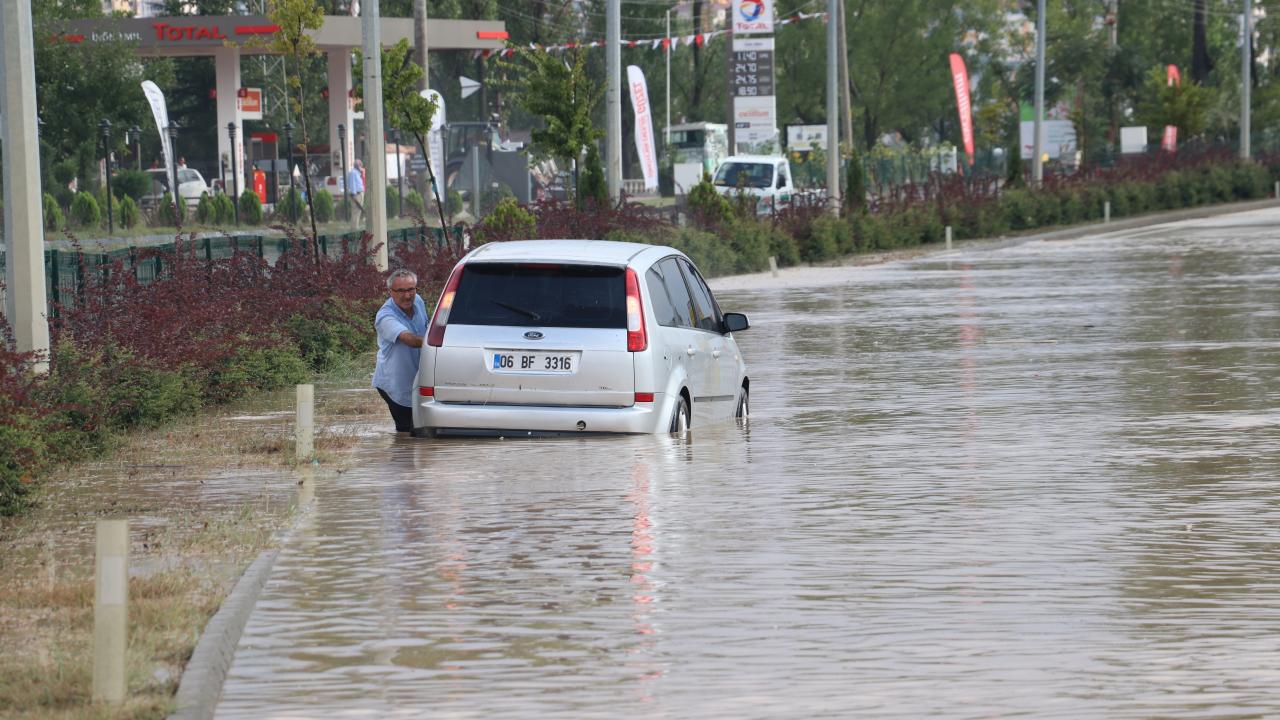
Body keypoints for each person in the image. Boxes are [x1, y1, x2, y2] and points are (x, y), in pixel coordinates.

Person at [372, 268, 427, 433]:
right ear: (390, 292)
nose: (407, 295)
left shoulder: (418, 301)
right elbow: (409, 339)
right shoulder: (385, 317)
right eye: (401, 291)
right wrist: (441, 344)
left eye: (411, 289)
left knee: (424, 431)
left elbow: (427, 326)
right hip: (395, 386)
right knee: (406, 435)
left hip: (417, 380)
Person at [347, 158, 366, 225]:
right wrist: (354, 196)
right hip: (356, 195)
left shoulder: (357, 173)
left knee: (358, 212)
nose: (362, 167)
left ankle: (355, 226)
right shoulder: (353, 173)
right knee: (355, 212)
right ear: (358, 166)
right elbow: (352, 186)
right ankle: (354, 228)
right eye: (361, 166)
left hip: (359, 194)